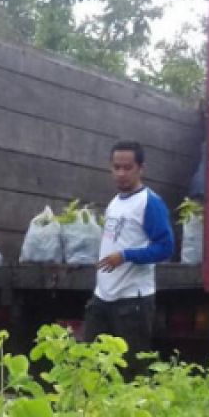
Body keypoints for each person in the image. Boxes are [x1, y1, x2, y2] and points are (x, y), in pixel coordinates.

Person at [84, 139, 175, 380]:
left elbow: (165, 248)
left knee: (129, 371)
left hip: (132, 302)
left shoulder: (150, 203)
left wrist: (126, 256)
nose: (121, 173)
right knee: (91, 366)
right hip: (103, 297)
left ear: (141, 169)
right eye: (116, 167)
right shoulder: (115, 202)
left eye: (128, 168)